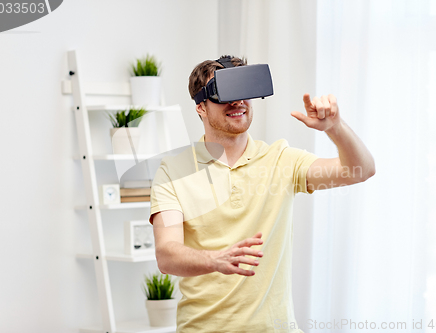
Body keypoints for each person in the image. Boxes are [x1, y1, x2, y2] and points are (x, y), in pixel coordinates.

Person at [149, 55, 375, 332]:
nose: (237, 101)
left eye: (244, 91)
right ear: (201, 107)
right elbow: (166, 255)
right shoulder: (174, 169)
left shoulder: (281, 159)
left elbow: (360, 170)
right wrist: (215, 260)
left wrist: (336, 129)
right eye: (223, 92)